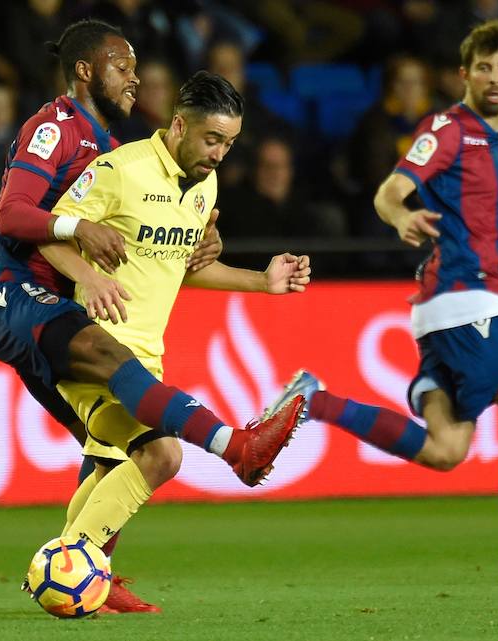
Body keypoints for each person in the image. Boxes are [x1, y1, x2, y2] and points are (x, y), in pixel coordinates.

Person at [0, 20, 299, 613]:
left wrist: (254, 277)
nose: (136, 77)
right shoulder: (62, 130)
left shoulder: (120, 152)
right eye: (123, 66)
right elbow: (16, 214)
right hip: (13, 292)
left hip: (86, 317)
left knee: (131, 454)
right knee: (109, 365)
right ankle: (235, 448)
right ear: (88, 70)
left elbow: (168, 257)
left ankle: (84, 571)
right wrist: (84, 247)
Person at [268, 20, 498, 579]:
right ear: (464, 74)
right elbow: (389, 191)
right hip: (470, 298)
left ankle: (315, 401)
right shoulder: (449, 129)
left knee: (446, 450)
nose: (493, 78)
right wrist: (400, 215)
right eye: (483, 68)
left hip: (454, 303)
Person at [36, 70, 309, 566]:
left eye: (229, 143)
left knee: (108, 467)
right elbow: (49, 232)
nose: (220, 154)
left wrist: (260, 281)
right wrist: (91, 279)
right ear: (180, 125)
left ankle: (77, 573)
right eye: (212, 139)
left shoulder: (206, 185)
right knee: (160, 455)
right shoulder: (121, 170)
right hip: (95, 344)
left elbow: (182, 269)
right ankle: (76, 566)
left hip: (147, 353)